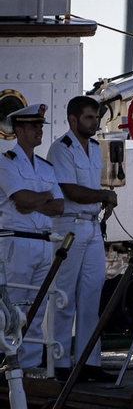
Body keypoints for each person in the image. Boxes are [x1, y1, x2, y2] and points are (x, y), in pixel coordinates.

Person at [46, 96, 116, 378]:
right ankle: (60, 362)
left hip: (91, 226)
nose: (95, 122)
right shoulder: (60, 149)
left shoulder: (95, 147)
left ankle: (89, 362)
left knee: (91, 296)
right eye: (89, 117)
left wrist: (103, 201)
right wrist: (103, 195)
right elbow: (69, 190)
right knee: (64, 296)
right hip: (69, 226)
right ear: (73, 120)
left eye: (96, 117)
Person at [0, 104, 63, 373]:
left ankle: (29, 366)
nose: (39, 130)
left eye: (40, 126)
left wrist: (34, 202)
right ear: (19, 130)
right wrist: (42, 198)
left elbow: (59, 206)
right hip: (16, 241)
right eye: (34, 126)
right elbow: (20, 199)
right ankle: (8, 364)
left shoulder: (46, 167)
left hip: (42, 240)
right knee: (12, 307)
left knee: (37, 308)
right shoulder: (5, 162)